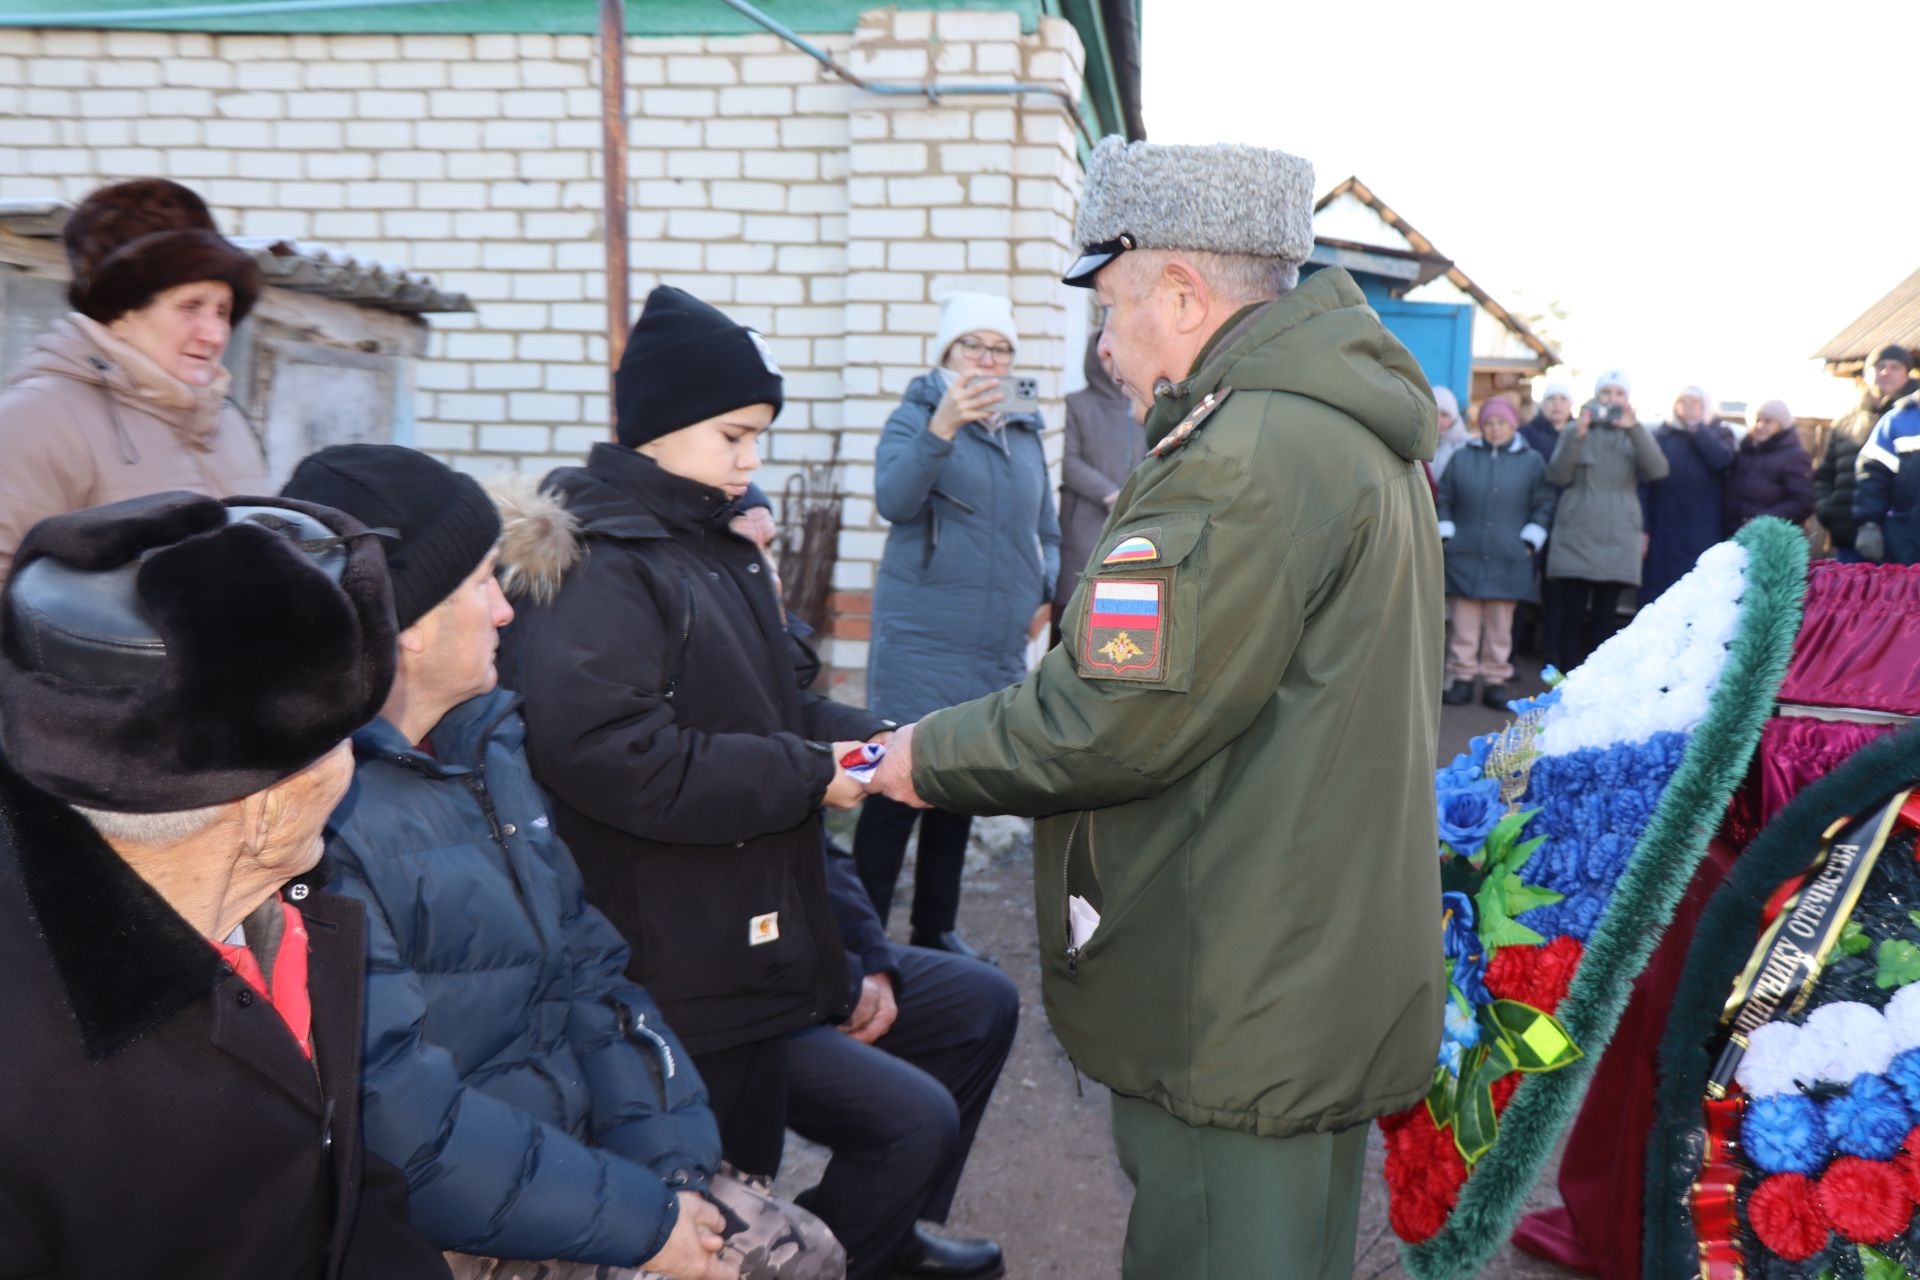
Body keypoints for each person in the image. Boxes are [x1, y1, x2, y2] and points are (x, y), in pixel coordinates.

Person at [864, 136, 1445, 1280]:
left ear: (1181, 293)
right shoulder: (1333, 431)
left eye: (1114, 303)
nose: (1104, 341)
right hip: (1305, 960)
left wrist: (918, 753)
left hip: (1235, 973)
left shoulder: (1244, 454)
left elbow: (1106, 718)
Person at [494, 287, 1010, 1280]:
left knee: (751, 1189)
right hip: (667, 953)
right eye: (735, 435)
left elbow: (780, 711)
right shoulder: (605, 563)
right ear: (662, 422)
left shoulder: (711, 546)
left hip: (748, 939)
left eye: (759, 436)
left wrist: (893, 749)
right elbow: (617, 756)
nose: (750, 460)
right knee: (709, 1202)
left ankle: (852, 1250)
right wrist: (822, 773)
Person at [282, 444, 842, 1280]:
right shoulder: (322, 820)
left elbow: (594, 979)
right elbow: (404, 1126)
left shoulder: (490, 751)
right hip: (450, 1221)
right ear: (408, 623)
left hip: (572, 1164)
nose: (508, 610)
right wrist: (648, 1227)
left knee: (807, 1254)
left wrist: (674, 1172)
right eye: (480, 582)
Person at [0, 490, 449, 1278]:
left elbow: (336, 1193)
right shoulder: (31, 1084)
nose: (356, 767)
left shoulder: (283, 916)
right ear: (266, 809)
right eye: (345, 741)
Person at [696, 481, 1021, 1280]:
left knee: (981, 1002)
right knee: (913, 1121)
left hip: (791, 967)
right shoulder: (672, 700)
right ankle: (830, 1257)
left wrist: (869, 953)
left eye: (770, 551)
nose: (767, 574)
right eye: (750, 552)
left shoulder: (763, 678)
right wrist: (840, 980)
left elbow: (814, 853)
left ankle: (889, 1233)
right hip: (721, 998)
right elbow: (713, 900)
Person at [856, 292, 1061, 962]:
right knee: (894, 790)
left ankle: (934, 931)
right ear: (946, 354)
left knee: (959, 782)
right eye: (972, 345)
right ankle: (857, 941)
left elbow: (1047, 530)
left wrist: (1045, 590)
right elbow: (894, 498)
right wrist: (941, 429)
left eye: (999, 348)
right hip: (922, 641)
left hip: (993, 648)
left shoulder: (1023, 430)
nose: (987, 359)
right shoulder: (917, 415)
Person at [0, 178, 270, 584]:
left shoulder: (226, 419)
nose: (214, 334)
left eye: (222, 310)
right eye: (190, 307)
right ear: (121, 314)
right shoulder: (35, 419)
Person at [1544, 370, 1669, 667]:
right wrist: (1578, 434)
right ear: (1595, 396)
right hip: (1577, 533)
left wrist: (1635, 428)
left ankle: (1596, 688)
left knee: (1604, 619)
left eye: (1618, 394)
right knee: (1570, 616)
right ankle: (1564, 682)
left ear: (1627, 400)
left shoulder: (1636, 434)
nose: (1612, 400)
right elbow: (1556, 475)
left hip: (1617, 536)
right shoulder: (1575, 429)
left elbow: (1659, 471)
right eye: (1606, 393)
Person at [1437, 396, 1554, 709]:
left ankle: (1494, 680)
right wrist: (1446, 532)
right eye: (1489, 423)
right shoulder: (1463, 457)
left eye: (1501, 423)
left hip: (1509, 558)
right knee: (1464, 625)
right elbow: (1444, 497)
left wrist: (1530, 541)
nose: (1495, 429)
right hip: (1465, 556)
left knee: (1500, 627)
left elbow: (1543, 504)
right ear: (1481, 425)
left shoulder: (1531, 461)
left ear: (1512, 425)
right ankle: (1461, 678)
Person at [1055, 332, 1146, 626]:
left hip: (1131, 526)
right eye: (1106, 356)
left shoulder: (1143, 406)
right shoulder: (1076, 404)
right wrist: (1109, 494)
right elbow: (1067, 461)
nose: (1113, 362)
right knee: (1074, 610)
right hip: (1083, 524)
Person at [1816, 344, 1919, 560]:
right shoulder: (1846, 422)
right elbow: (1825, 474)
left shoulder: (1906, 416)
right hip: (1848, 532)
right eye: (1879, 366)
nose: (1885, 372)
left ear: (1907, 373)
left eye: (1894, 367)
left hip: (1896, 536)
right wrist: (1828, 510)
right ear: (1866, 373)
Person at [1640, 385, 1736, 602]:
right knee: (1657, 598)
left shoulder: (1720, 433)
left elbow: (1721, 461)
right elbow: (1645, 485)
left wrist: (1697, 428)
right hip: (1662, 532)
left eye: (1695, 403)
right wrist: (1643, 529)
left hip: (1702, 532)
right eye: (1684, 402)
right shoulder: (1660, 436)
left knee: (1694, 598)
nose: (1689, 407)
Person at [1724, 399, 1814, 535]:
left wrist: (1764, 520)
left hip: (1770, 539)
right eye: (1757, 420)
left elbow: (1803, 502)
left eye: (1768, 421)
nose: (1760, 425)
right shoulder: (1745, 451)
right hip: (1736, 534)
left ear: (1781, 424)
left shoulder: (1795, 456)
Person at [1520, 381, 1573, 461]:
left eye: (1563, 399)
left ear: (1570, 404)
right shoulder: (1525, 434)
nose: (1557, 403)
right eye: (1551, 398)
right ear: (1543, 404)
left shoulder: (1581, 432)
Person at [1431, 384, 1470, 476]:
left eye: (1444, 415)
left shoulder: (1465, 446)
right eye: (1434, 413)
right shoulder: (1417, 443)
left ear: (1454, 418)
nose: (1438, 419)